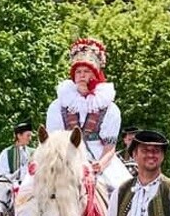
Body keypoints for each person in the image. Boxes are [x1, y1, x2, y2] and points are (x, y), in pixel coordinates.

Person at [45, 38, 129, 190]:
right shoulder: (58, 105)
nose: (81, 75)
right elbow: (53, 142)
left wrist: (100, 164)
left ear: (95, 75)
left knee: (124, 189)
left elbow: (110, 148)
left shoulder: (109, 108)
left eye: (86, 71)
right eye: (78, 72)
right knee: (29, 188)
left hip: (99, 158)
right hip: (65, 157)